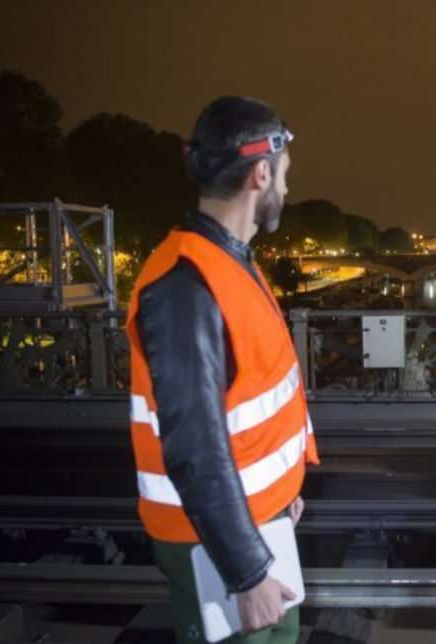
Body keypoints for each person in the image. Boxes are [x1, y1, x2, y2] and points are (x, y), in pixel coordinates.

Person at [126, 96, 319, 642]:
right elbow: (194, 446)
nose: (286, 187)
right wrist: (247, 570)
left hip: (256, 523)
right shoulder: (187, 284)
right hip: (217, 543)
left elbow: (249, 397)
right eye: (284, 175)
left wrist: (283, 489)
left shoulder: (225, 262)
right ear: (261, 174)